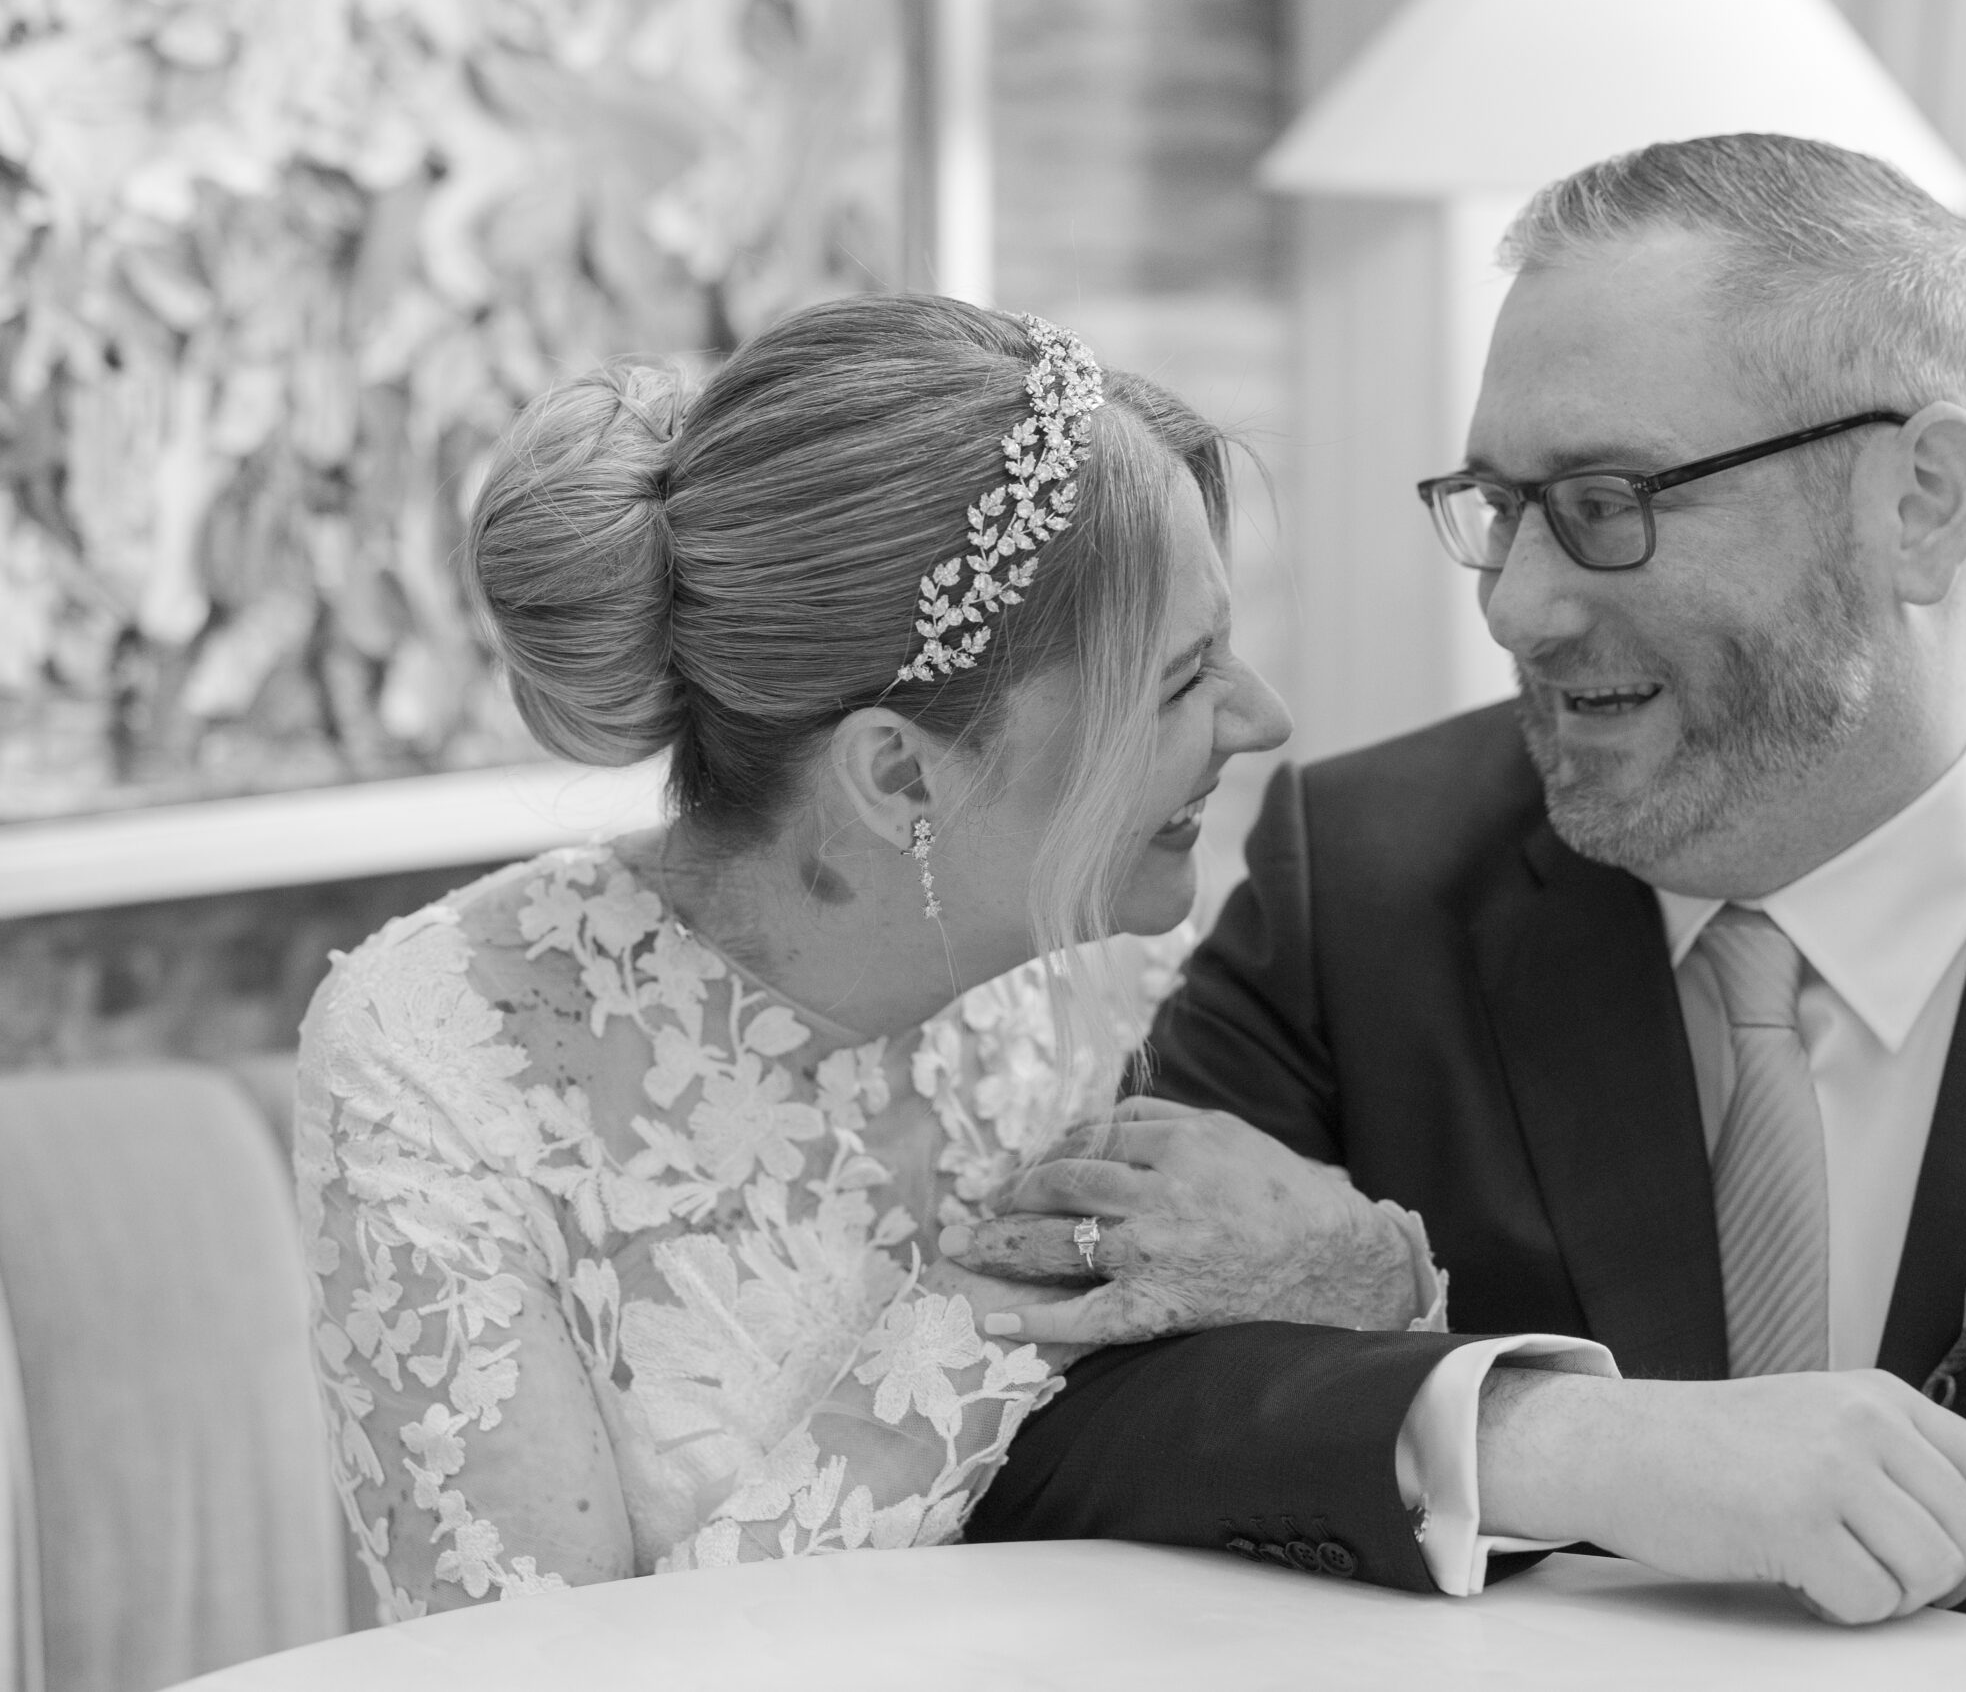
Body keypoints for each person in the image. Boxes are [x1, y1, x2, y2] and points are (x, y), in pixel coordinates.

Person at [951, 135, 1966, 1690]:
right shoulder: (1358, 887)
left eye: (1602, 500)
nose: (1516, 605)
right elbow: (1072, 1430)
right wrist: (1551, 1437)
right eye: (1497, 508)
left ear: (1921, 500)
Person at [290, 296, 1445, 1620]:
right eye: (1179, 681)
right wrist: (977, 1332)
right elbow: (524, 1679)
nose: (1263, 718)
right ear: (900, 773)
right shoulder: (440, 1054)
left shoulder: (1121, 984)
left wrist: (1364, 1279)